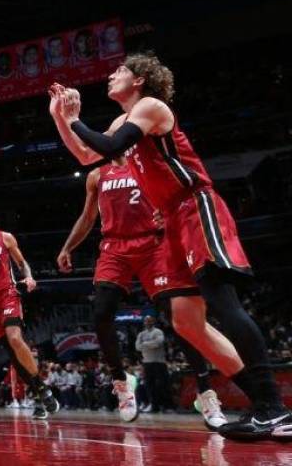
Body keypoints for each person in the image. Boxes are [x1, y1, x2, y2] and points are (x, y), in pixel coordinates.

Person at [47, 53, 292, 442]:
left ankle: (274, 408)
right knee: (186, 321)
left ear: (139, 80)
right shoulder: (124, 120)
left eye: (120, 71)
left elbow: (109, 143)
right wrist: (59, 118)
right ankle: (264, 406)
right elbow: (88, 155)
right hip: (171, 220)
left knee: (223, 302)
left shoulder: (150, 107)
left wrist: (73, 118)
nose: (112, 76)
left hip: (195, 205)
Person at [56, 159, 231, 428]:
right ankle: (122, 382)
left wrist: (168, 216)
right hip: (115, 247)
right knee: (101, 312)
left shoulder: (150, 164)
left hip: (153, 244)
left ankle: (205, 393)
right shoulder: (96, 175)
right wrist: (68, 247)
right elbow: (88, 216)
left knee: (179, 318)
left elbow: (178, 199)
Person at [0, 202, 59, 419]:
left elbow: (22, 262)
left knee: (15, 339)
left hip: (7, 293)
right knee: (12, 355)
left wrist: (30, 276)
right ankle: (39, 391)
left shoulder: (5, 237)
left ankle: (40, 390)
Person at [135, 316, 171, 413]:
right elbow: (137, 347)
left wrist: (145, 344)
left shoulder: (158, 332)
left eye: (150, 321)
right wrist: (149, 344)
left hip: (159, 362)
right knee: (149, 386)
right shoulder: (141, 334)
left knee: (162, 384)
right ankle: (154, 406)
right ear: (144, 323)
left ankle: (166, 406)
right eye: (146, 321)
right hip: (147, 362)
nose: (148, 322)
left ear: (153, 322)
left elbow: (158, 343)